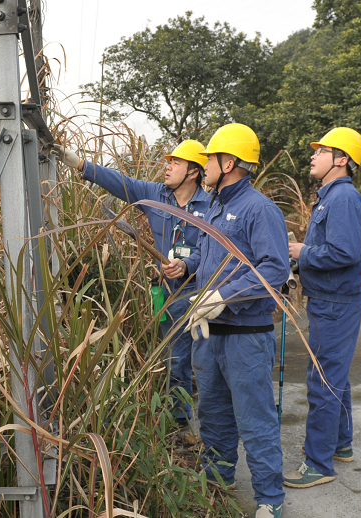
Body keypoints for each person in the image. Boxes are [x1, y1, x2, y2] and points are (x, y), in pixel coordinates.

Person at [165, 123, 289, 518]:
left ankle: (270, 498)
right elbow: (208, 257)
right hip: (208, 334)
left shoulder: (259, 209)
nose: (204, 167)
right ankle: (218, 481)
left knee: (254, 420)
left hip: (246, 336)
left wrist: (223, 296)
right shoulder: (214, 207)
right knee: (214, 416)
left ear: (229, 162)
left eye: (210, 160)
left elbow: (274, 269)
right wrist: (186, 265)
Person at [53, 140, 209, 428]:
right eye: (168, 161)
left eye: (176, 163)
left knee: (202, 359)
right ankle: (180, 423)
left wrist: (188, 264)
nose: (168, 166)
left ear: (193, 173)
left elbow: (211, 247)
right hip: (165, 293)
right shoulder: (154, 194)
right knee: (174, 358)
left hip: (199, 293)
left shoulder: (210, 206)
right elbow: (120, 183)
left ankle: (209, 424)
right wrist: (80, 165)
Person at [284, 127, 361, 489]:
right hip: (330, 301)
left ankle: (318, 464)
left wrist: (303, 253)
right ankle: (341, 445)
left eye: (321, 151)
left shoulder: (343, 200)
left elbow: (344, 253)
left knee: (324, 382)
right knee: (336, 376)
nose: (313, 156)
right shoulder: (331, 198)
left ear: (342, 160)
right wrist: (304, 259)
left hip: (335, 305)